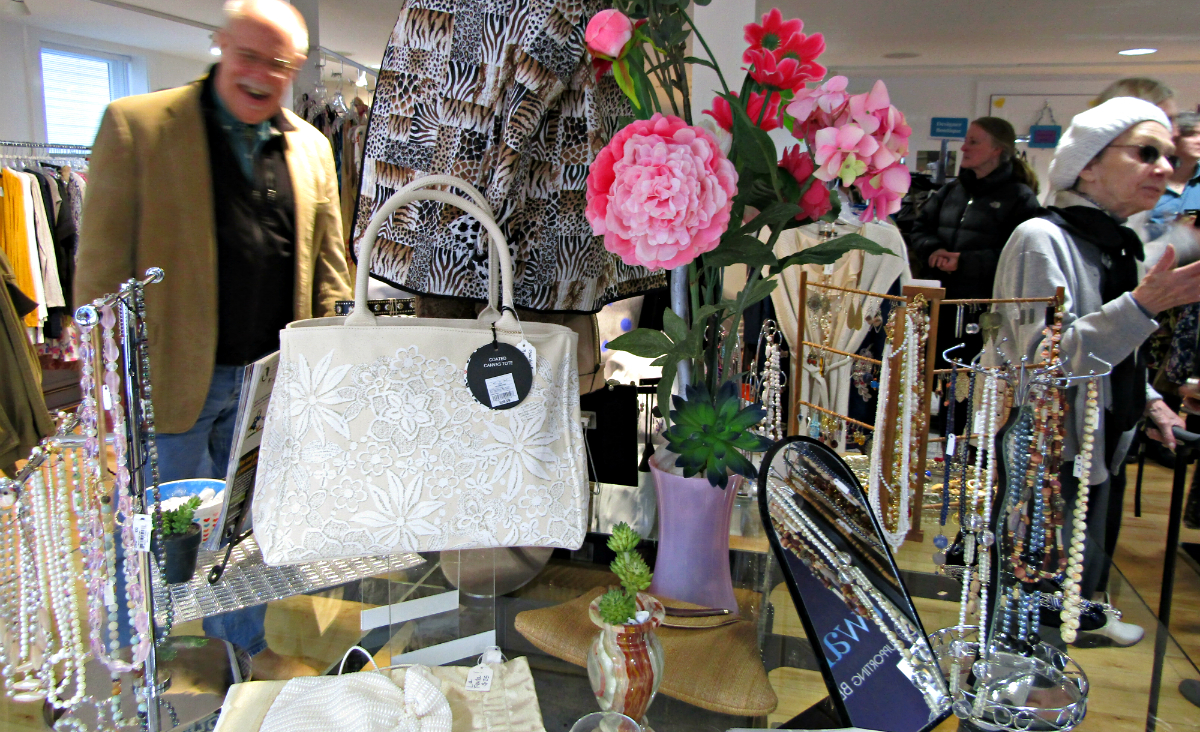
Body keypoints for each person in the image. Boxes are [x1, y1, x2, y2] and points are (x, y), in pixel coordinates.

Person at [76, 0, 353, 679]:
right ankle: (129, 654)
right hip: (171, 386)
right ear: (220, 45)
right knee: (161, 530)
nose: (261, 75)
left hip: (268, 385)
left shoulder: (313, 147)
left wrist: (335, 358)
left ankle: (240, 650)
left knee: (241, 536)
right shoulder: (138, 128)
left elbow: (330, 268)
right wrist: (110, 392)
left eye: (280, 65)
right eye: (250, 56)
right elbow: (98, 278)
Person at [994, 97, 1200, 646]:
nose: (1164, 167)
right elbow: (1044, 364)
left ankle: (1061, 653)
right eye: (1145, 152)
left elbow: (1118, 348)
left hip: (1100, 440)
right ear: (1088, 163)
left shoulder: (1114, 244)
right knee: (1028, 592)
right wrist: (1143, 306)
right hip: (1048, 450)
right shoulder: (1041, 238)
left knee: (1074, 575)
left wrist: (1151, 400)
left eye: (1169, 155)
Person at [909, 118, 1041, 432]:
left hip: (983, 312)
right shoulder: (951, 190)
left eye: (974, 141)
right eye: (966, 140)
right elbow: (920, 228)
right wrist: (934, 250)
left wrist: (965, 262)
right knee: (933, 375)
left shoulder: (1020, 198)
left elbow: (1020, 256)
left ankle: (965, 451)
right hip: (940, 304)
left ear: (998, 149)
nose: (964, 147)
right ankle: (933, 446)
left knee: (970, 383)